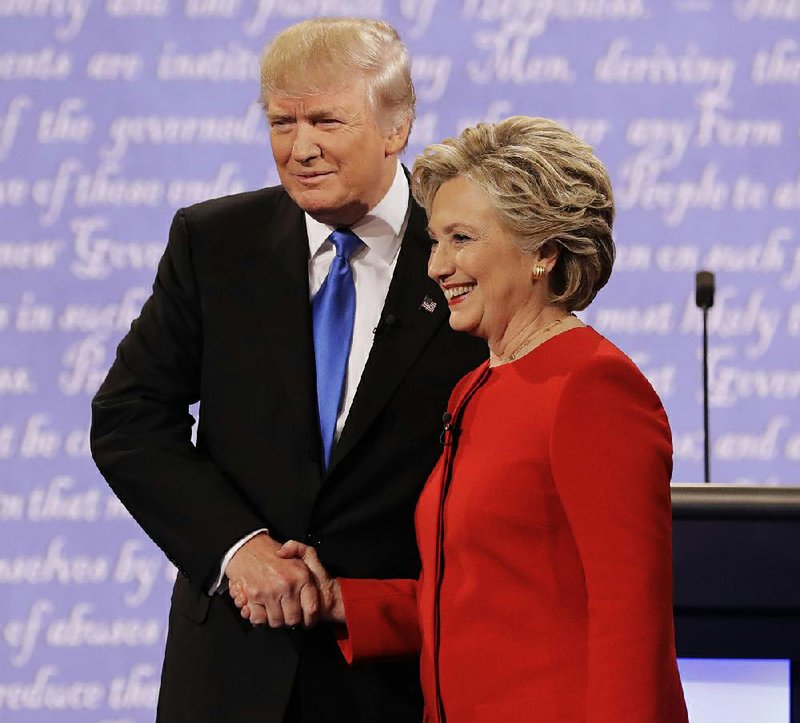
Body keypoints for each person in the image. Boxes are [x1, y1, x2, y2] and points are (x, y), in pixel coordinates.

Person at [90, 17, 486, 723]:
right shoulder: (213, 243)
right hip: (232, 667)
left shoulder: (468, 249)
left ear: (397, 127)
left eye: (325, 121)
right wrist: (237, 548)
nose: (300, 148)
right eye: (282, 122)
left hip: (400, 673)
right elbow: (129, 418)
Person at [236, 116, 690, 722]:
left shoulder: (590, 386)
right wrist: (341, 601)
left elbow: (631, 619)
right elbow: (476, 597)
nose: (435, 266)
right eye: (434, 242)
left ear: (543, 251)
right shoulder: (475, 386)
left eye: (461, 239)